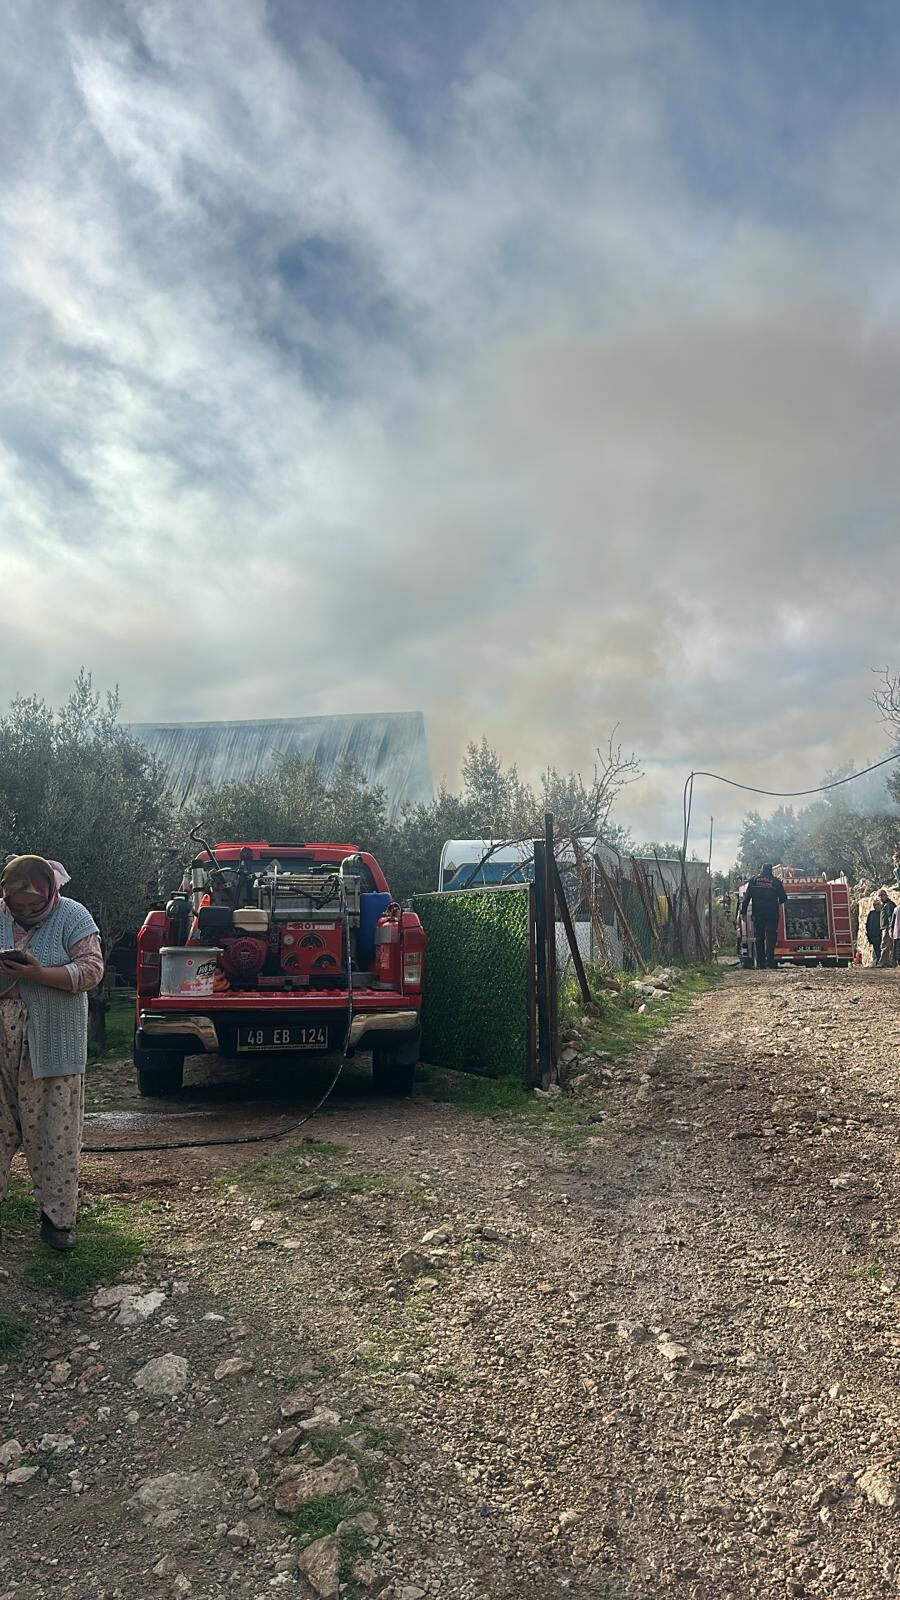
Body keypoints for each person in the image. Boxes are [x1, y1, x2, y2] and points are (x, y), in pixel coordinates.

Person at [0, 856, 103, 1250]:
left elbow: (92, 971)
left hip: (51, 1044)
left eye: (34, 906)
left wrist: (39, 975)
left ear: (50, 893)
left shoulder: (73, 915)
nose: (24, 913)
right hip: (1, 1043)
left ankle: (57, 1221)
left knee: (53, 1134)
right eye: (17, 907)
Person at [741, 864, 787, 970]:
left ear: (761, 870)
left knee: (759, 938)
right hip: (772, 914)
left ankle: (761, 963)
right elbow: (783, 898)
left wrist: (743, 912)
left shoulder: (754, 881)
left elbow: (747, 898)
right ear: (771, 871)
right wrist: (776, 901)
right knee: (771, 938)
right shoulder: (776, 882)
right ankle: (770, 961)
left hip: (758, 914)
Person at [878, 889, 897, 968]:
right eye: (879, 896)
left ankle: (882, 962)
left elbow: (890, 916)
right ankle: (891, 962)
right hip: (886, 927)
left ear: (886, 895)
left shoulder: (888, 904)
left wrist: (890, 928)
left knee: (885, 945)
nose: (880, 898)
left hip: (887, 927)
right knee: (890, 945)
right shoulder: (886, 904)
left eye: (881, 895)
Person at [866, 896, 884, 965]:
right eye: (875, 905)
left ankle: (880, 962)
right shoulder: (871, 913)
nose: (876, 906)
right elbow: (868, 924)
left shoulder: (882, 913)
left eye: (878, 904)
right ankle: (879, 961)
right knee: (876, 949)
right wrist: (868, 935)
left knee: (880, 949)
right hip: (873, 936)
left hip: (880, 935)